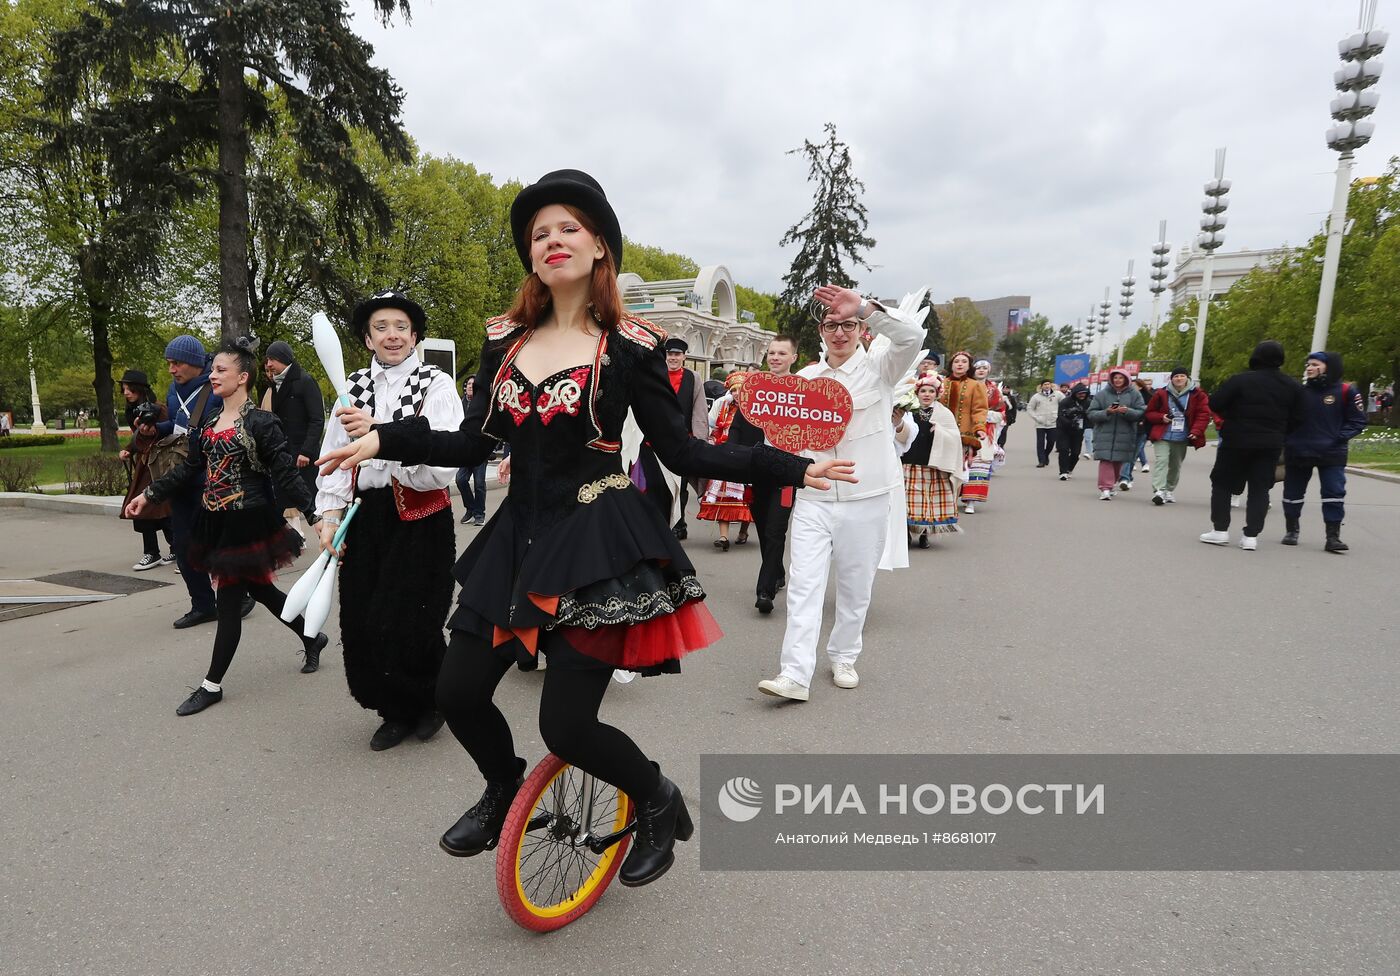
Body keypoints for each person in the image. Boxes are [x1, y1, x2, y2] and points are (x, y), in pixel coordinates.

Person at [317, 169, 852, 886]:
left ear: (600, 246)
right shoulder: (502, 342)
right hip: (517, 539)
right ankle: (504, 784)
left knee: (566, 727)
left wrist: (790, 466)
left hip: (600, 538)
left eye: (569, 227)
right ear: (531, 256)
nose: (553, 240)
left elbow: (685, 451)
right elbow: (474, 442)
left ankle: (658, 800)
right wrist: (384, 438)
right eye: (540, 233)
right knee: (457, 692)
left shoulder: (632, 345)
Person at [128, 337, 327, 715]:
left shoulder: (261, 422)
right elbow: (188, 469)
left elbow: (286, 475)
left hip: (247, 520)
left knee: (230, 601)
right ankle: (311, 637)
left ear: (243, 377)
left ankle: (211, 684)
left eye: (221, 370)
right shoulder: (208, 422)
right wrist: (151, 494)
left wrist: (315, 516)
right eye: (212, 369)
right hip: (215, 519)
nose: (213, 375)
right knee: (263, 590)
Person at [757, 286, 925, 702]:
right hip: (814, 498)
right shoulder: (805, 380)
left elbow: (912, 338)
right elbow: (788, 439)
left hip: (865, 498)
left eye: (848, 324)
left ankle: (844, 654)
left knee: (854, 588)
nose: (840, 332)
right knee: (803, 586)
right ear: (821, 330)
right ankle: (795, 673)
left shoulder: (880, 371)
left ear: (861, 330)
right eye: (832, 325)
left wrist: (866, 306)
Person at [316, 288, 464, 750]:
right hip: (367, 517)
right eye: (381, 327)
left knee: (409, 621)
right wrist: (329, 515)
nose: (392, 335)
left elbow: (442, 464)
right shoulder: (352, 388)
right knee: (363, 621)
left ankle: (430, 699)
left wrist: (381, 434)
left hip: (419, 515)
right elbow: (334, 458)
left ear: (415, 335)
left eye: (401, 327)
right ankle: (393, 709)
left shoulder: (435, 384)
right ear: (367, 338)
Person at [1200, 340, 1304, 550]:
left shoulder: (1240, 381)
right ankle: (1251, 535)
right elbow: (1299, 417)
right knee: (1260, 488)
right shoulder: (1292, 386)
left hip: (1236, 440)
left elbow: (1215, 403)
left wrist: (1232, 415)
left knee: (1222, 483)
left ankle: (1220, 530)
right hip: (1271, 443)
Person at [154, 335, 224, 628]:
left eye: (177, 363)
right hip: (180, 476)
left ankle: (242, 593)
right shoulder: (174, 389)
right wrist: (154, 426)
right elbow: (178, 425)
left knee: (218, 544)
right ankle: (203, 605)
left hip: (210, 478)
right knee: (183, 545)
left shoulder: (217, 389)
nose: (172, 369)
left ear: (195, 364)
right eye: (169, 363)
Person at [728, 333, 799, 615]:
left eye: (782, 353)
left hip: (788, 472)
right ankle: (777, 572)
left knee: (775, 530)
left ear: (793, 357)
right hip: (758, 469)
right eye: (772, 353)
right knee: (762, 524)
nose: (775, 357)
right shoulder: (754, 389)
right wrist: (730, 456)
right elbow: (737, 425)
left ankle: (765, 590)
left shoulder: (801, 392)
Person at [1280, 351, 1367, 552]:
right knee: (1292, 493)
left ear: (1329, 367)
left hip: (1331, 453)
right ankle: (1292, 531)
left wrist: (1338, 437)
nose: (1309, 368)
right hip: (1298, 451)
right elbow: (1285, 420)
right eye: (1308, 365)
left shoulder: (1346, 391)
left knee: (1334, 493)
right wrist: (1288, 439)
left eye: (1314, 364)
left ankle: (1333, 537)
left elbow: (1357, 420)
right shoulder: (1299, 393)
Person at [637, 336, 708, 540]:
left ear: (684, 356)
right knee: (656, 484)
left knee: (681, 487)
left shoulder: (693, 378)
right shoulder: (656, 374)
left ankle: (679, 523)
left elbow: (700, 410)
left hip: (681, 441)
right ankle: (658, 522)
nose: (673, 358)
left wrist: (699, 440)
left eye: (677, 354)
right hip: (652, 441)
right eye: (669, 354)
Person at [261, 341, 325, 540]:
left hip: (302, 454)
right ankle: (294, 538)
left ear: (283, 358)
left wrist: (307, 450)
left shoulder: (305, 381)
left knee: (313, 504)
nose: (268, 364)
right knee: (281, 500)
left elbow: (317, 419)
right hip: (284, 454)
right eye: (267, 359)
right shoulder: (274, 384)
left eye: (272, 359)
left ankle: (329, 538)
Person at [117, 369, 174, 570]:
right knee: (150, 509)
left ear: (139, 389)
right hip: (145, 465)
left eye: (129, 388)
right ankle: (156, 551)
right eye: (123, 388)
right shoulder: (133, 411)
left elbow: (168, 435)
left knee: (159, 509)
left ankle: (164, 550)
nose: (126, 392)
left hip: (159, 465)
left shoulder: (159, 409)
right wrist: (128, 449)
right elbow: (139, 437)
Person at [900, 373, 963, 546]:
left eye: (931, 391)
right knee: (907, 501)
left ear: (937, 394)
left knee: (928, 502)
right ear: (917, 393)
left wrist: (940, 432)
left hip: (932, 464)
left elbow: (954, 438)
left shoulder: (944, 413)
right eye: (923, 391)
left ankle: (924, 534)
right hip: (910, 461)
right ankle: (906, 532)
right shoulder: (907, 411)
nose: (927, 394)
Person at [696, 371, 754, 550]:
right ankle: (723, 537)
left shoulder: (753, 409)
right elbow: (713, 426)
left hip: (745, 456)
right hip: (725, 455)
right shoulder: (724, 406)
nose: (737, 393)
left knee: (746, 498)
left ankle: (743, 531)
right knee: (723, 496)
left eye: (741, 389)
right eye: (734, 390)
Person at [1143, 366, 1210, 505]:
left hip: (1182, 435)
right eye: (1176, 376)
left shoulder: (1198, 394)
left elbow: (1203, 414)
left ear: (1187, 378)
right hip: (1163, 434)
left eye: (1182, 376)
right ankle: (1159, 490)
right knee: (1161, 461)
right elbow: (1149, 413)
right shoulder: (1161, 393)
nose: (1179, 378)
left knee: (1175, 465)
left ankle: (1169, 489)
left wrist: (1196, 431)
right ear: (1171, 379)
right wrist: (1162, 417)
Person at [939, 351, 990, 508]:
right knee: (943, 466)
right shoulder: (942, 383)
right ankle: (947, 498)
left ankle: (969, 500)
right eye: (956, 361)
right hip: (942, 432)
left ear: (969, 366)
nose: (959, 364)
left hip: (965, 432)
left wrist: (979, 428)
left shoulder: (976, 385)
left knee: (963, 467)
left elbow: (979, 409)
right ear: (951, 364)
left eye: (963, 362)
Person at [1087, 368, 1144, 500]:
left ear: (1126, 379)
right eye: (1115, 378)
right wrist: (1106, 412)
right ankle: (1105, 488)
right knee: (1106, 460)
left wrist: (1127, 411)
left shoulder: (1134, 395)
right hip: (1104, 433)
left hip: (1125, 434)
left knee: (1118, 461)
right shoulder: (1102, 394)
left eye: (1121, 378)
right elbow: (1091, 413)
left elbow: (1141, 412)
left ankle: (1111, 484)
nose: (1118, 380)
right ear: (1111, 380)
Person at [456, 376, 488, 525]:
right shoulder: (459, 403)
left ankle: (479, 514)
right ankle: (471, 508)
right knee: (460, 480)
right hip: (464, 449)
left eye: (473, 384)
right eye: (468, 383)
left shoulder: (483, 404)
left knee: (479, 483)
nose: (470, 386)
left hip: (480, 449)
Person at [1117, 377, 1155, 490]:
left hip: (1141, 430)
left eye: (1134, 385)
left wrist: (1144, 420)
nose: (1131, 387)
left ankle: (1128, 477)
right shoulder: (1124, 397)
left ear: (1140, 386)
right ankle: (1124, 478)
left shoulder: (1149, 398)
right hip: (1127, 429)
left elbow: (1150, 413)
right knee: (1126, 454)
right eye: (1130, 385)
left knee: (1133, 455)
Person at [1056, 383, 1091, 479]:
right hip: (1064, 429)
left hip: (1078, 431)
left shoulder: (1088, 402)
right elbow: (1060, 415)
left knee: (1076, 453)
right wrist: (1070, 421)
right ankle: (1063, 472)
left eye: (1084, 393)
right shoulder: (1065, 401)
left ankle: (1069, 469)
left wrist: (1084, 414)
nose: (1082, 395)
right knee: (1063, 450)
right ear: (1075, 393)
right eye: (1079, 393)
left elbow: (1091, 415)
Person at [1026, 379, 1062, 468]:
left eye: (1048, 384)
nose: (1047, 386)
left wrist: (1059, 415)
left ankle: (1046, 454)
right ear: (1041, 386)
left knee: (1051, 441)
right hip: (1040, 423)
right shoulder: (1036, 397)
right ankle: (1041, 461)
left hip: (1053, 422)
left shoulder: (1058, 395)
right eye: (1045, 384)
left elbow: (1065, 404)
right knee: (1040, 443)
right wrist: (1036, 417)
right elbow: (1030, 408)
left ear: (1051, 385)